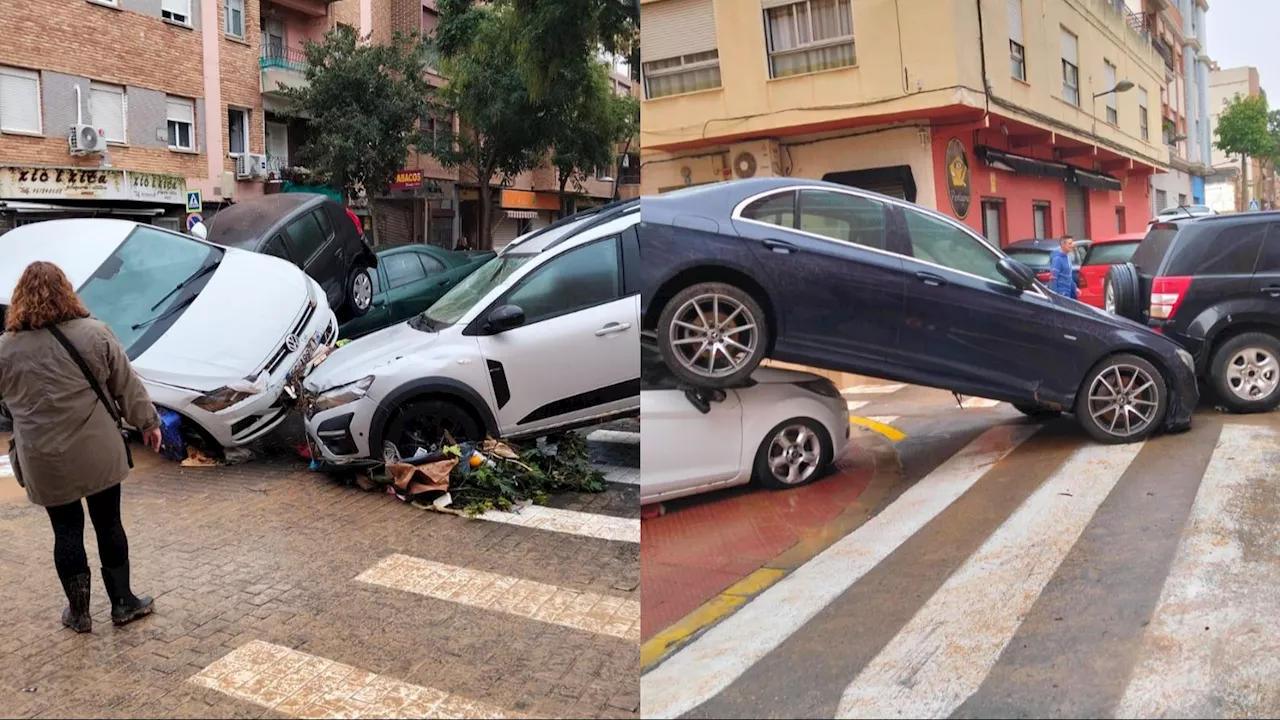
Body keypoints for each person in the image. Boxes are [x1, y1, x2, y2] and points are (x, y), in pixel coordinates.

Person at [0, 261, 163, 633]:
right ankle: (123, 603)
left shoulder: (4, 350)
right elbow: (126, 385)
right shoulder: (95, 333)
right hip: (97, 451)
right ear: (67, 291)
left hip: (43, 458)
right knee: (109, 524)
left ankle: (79, 613)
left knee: (66, 532)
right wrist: (149, 423)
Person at [1048, 235, 1078, 300]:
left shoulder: (1068, 257)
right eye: (1069, 244)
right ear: (1063, 245)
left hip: (1068, 291)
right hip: (1060, 293)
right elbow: (1053, 278)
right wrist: (1054, 295)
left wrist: (1075, 288)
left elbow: (1068, 276)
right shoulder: (1057, 259)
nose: (1072, 245)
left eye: (1072, 243)